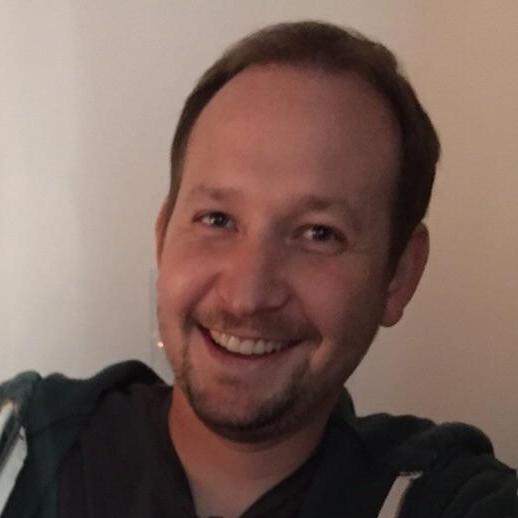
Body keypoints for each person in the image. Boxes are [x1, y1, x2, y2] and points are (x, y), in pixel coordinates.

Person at [0, 20, 516, 518]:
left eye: (319, 233)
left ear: (399, 275)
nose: (247, 296)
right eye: (217, 219)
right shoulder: (19, 449)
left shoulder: (445, 497)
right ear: (163, 236)